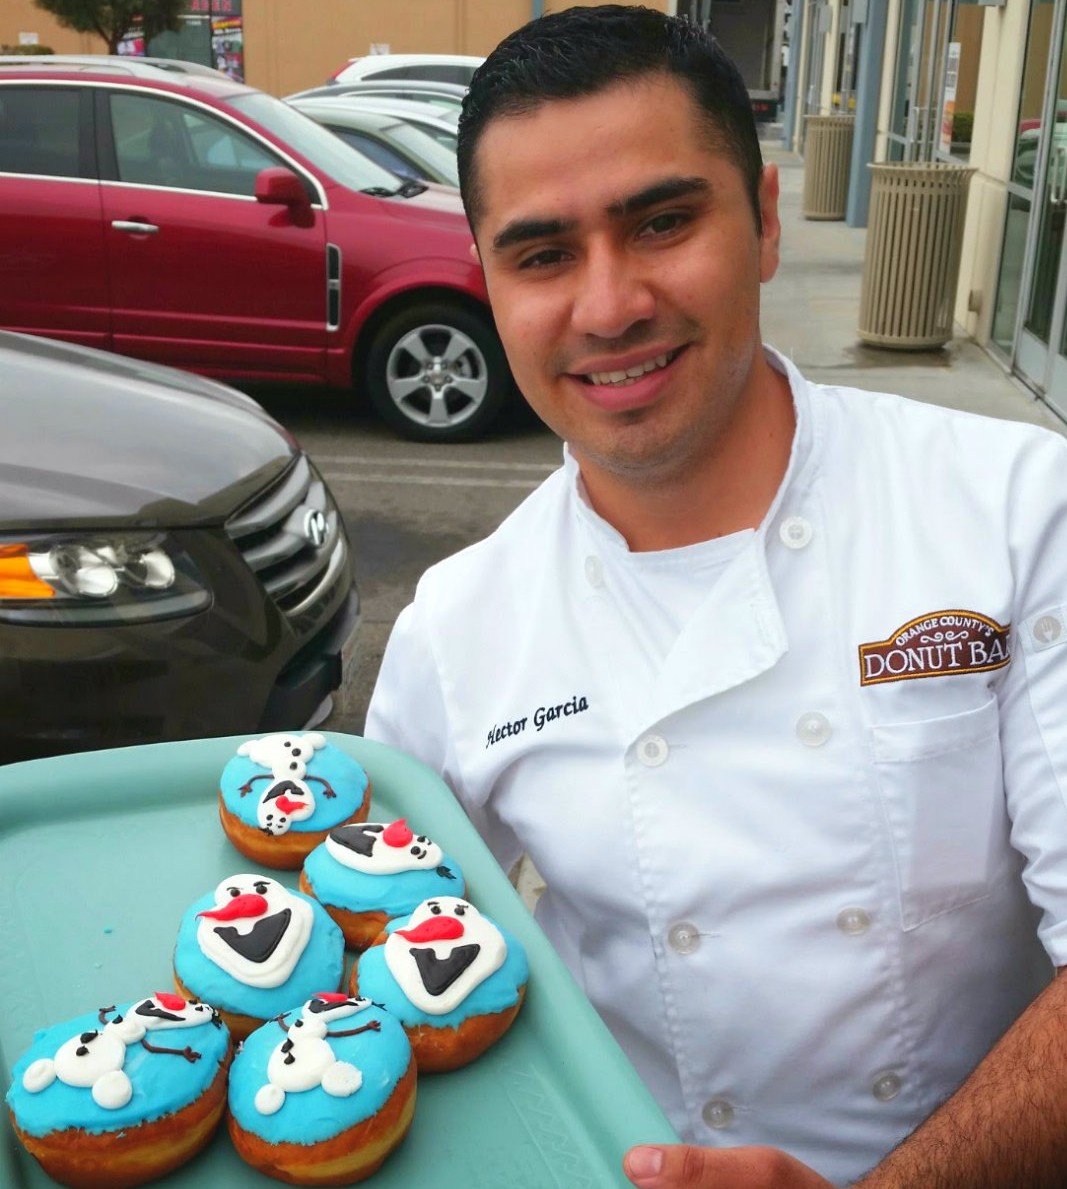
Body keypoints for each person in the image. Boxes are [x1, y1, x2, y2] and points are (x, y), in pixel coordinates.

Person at [364, 6, 1067, 1186]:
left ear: (765, 221)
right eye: (541, 255)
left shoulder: (1013, 509)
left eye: (662, 222)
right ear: (486, 282)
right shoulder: (455, 629)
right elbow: (387, 974)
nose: (607, 306)